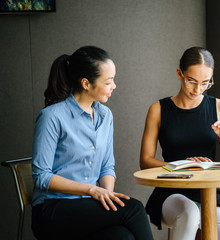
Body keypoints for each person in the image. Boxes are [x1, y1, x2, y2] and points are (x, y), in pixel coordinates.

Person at [31, 46, 154, 240]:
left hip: (87, 208)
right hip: (52, 211)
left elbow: (107, 167)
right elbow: (41, 177)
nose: (114, 86)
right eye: (108, 81)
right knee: (134, 209)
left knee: (122, 236)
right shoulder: (52, 117)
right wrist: (91, 189)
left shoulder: (105, 116)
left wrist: (107, 197)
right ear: (86, 83)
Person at [140, 46, 220, 240]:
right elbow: (145, 161)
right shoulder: (159, 109)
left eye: (205, 83)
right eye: (191, 81)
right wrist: (183, 165)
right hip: (171, 188)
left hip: (209, 188)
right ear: (180, 73)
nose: (198, 89)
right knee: (189, 213)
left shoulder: (218, 106)